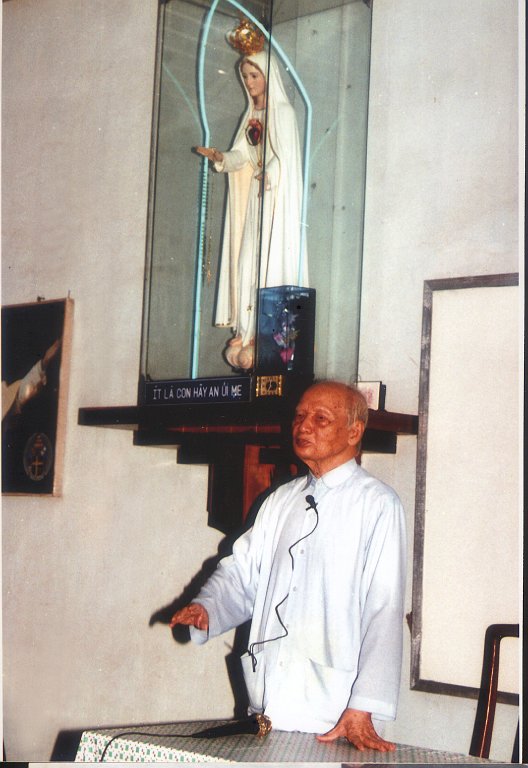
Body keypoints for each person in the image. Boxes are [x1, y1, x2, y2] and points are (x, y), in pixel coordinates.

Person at [170, 381, 406, 752]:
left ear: (354, 432)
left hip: (335, 716)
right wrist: (207, 607)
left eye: (320, 419)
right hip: (267, 708)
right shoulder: (280, 501)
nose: (303, 426)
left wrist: (364, 705)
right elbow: (242, 573)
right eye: (299, 417)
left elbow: (384, 608)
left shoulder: (377, 504)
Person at [196, 44, 307, 371]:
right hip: (256, 206)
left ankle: (267, 334)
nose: (249, 82)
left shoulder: (283, 113)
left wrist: (270, 171)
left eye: (254, 75)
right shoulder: (251, 116)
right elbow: (242, 155)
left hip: (274, 203)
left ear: (268, 76)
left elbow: (287, 158)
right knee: (247, 263)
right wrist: (221, 157)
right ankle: (247, 331)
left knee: (270, 264)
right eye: (245, 76)